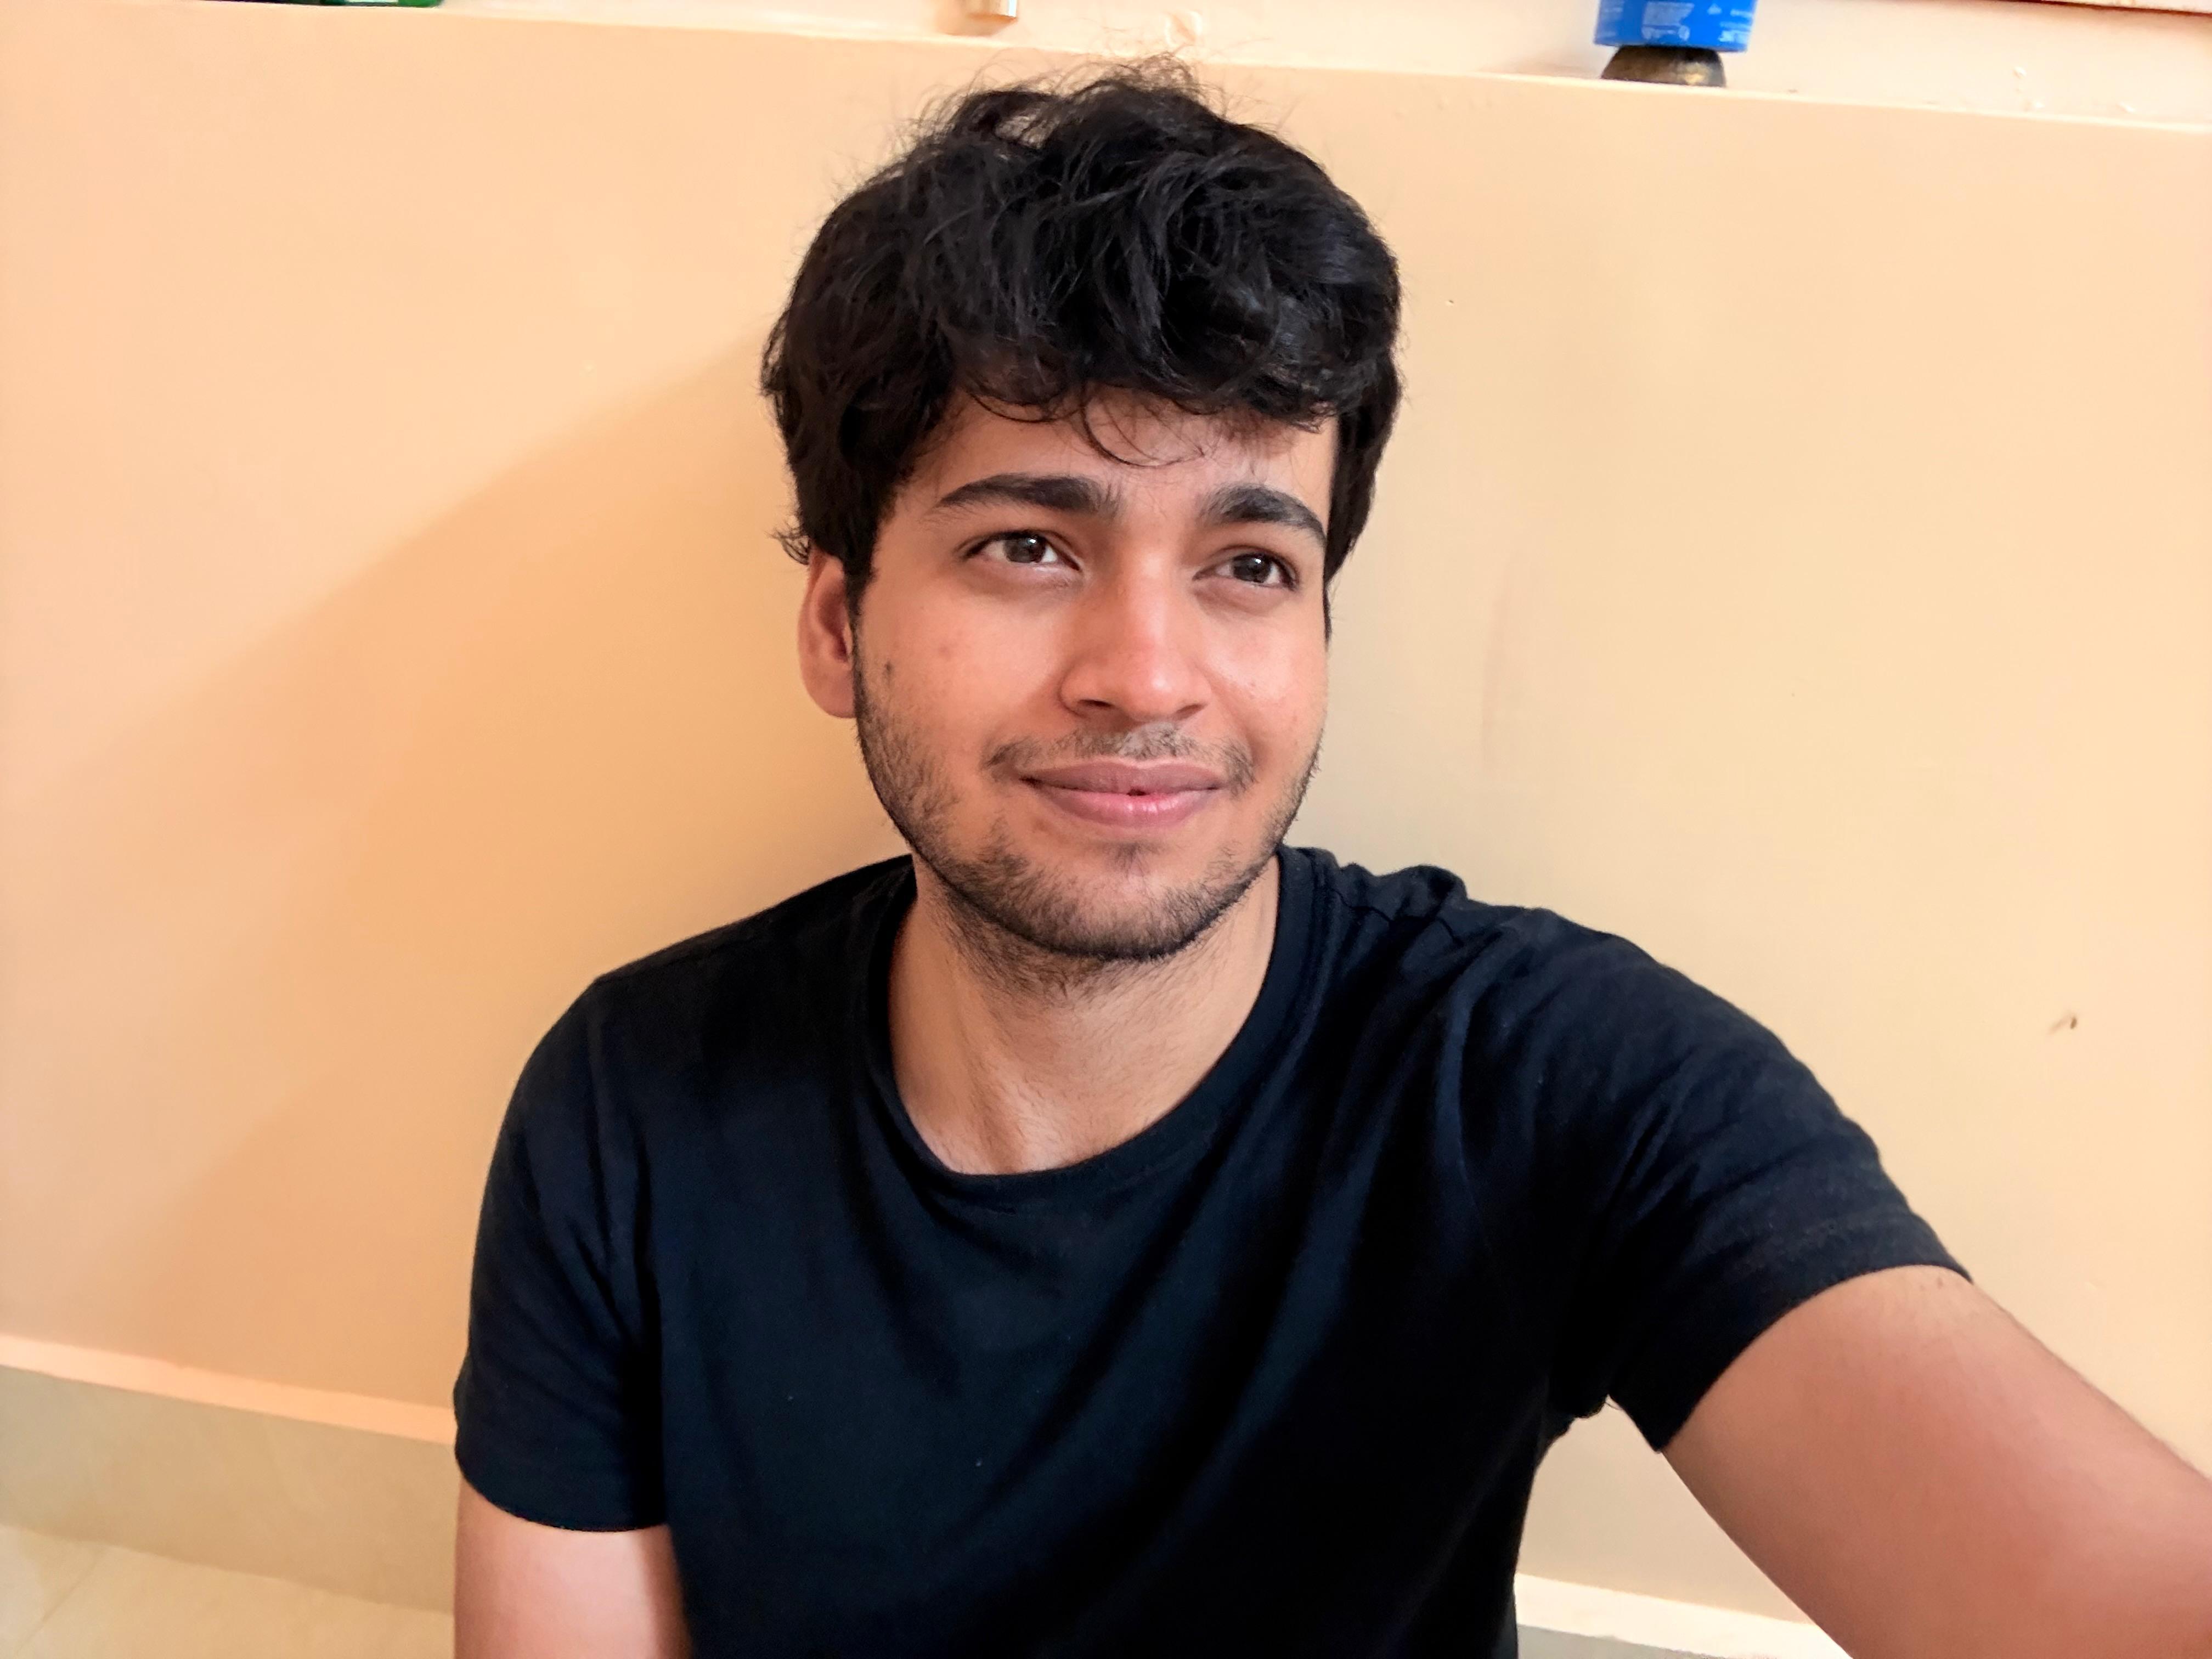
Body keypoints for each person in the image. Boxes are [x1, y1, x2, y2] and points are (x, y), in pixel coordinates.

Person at [450, 63, 2212, 1659]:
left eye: (1248, 565)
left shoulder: (1547, 1081)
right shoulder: (634, 1111)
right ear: (841, 629)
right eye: (1028, 545)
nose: (1148, 676)